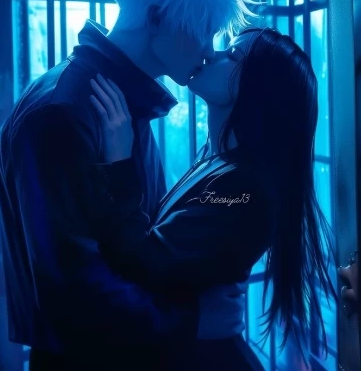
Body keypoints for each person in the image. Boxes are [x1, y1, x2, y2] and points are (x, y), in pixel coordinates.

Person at [0, 0, 257, 369]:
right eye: (204, 32)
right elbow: (70, 289)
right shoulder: (65, 111)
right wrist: (191, 321)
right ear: (156, 18)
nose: (208, 51)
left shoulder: (113, 102)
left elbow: (137, 241)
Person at [88, 27, 338, 369]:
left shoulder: (245, 189)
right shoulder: (218, 160)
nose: (210, 55)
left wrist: (118, 161)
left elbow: (145, 263)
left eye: (232, 55)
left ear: (258, 88)